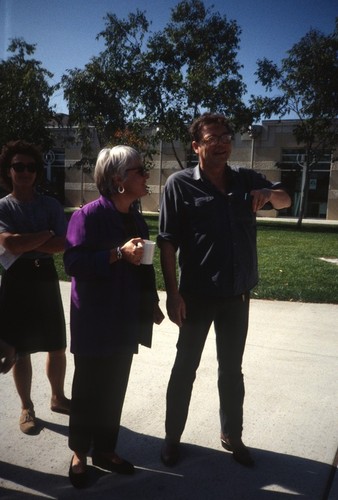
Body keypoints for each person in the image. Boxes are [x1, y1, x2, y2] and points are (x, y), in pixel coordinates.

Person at [158, 113, 291, 467]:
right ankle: (172, 437)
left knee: (232, 370)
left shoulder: (246, 179)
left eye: (226, 136)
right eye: (212, 137)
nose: (221, 142)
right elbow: (167, 243)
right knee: (184, 368)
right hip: (196, 296)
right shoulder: (179, 185)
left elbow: (285, 200)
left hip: (237, 295)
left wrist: (268, 193)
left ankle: (233, 435)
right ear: (196, 145)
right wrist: (172, 294)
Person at [64, 145, 164, 489]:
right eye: (140, 170)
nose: (146, 175)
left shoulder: (136, 219)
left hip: (124, 318)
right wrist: (116, 254)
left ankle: (105, 449)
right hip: (93, 319)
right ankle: (79, 452)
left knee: (114, 387)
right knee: (89, 388)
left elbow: (145, 267)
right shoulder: (88, 216)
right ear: (119, 179)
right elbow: (72, 264)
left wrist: (151, 301)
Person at [0, 140, 70, 435]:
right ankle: (26, 407)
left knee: (57, 345)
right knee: (21, 350)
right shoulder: (3, 206)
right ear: (9, 171)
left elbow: (62, 244)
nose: (25, 171)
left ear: (37, 172)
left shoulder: (51, 205)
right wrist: (44, 235)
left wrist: (24, 242)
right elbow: (10, 244)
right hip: (16, 280)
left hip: (45, 277)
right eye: (18, 166)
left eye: (30, 167)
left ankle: (58, 397)